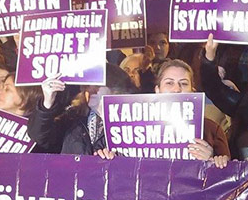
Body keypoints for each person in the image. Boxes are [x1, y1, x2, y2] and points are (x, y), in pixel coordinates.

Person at [95, 59, 232, 163]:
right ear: (157, 90)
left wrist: (212, 161)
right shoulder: (131, 127)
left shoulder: (211, 129)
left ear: (192, 91)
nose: (176, 89)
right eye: (169, 83)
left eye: (184, 83)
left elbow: (226, 180)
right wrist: (109, 160)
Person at [29, 63, 139, 155]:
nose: (90, 89)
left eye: (98, 85)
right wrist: (47, 102)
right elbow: (41, 137)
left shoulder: (131, 123)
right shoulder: (73, 117)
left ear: (115, 89)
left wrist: (117, 159)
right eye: (87, 84)